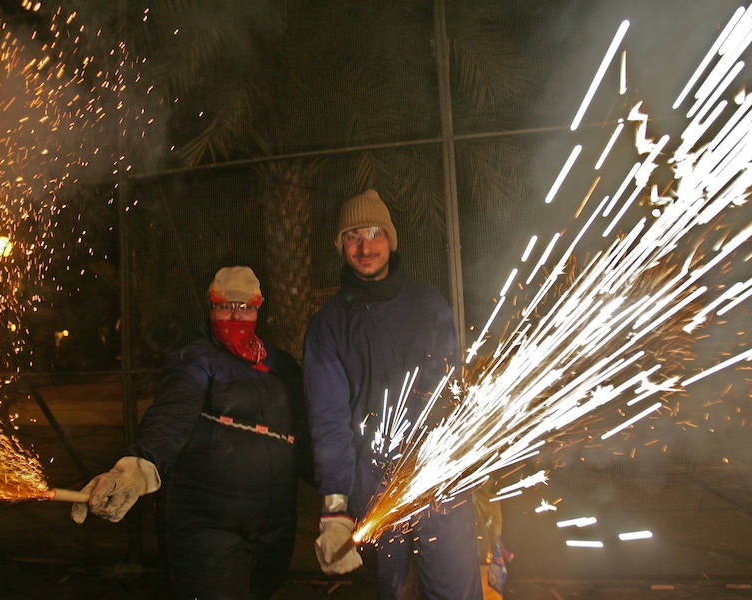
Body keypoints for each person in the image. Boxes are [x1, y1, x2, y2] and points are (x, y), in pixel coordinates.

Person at [71, 266, 310, 599]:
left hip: (272, 532)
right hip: (208, 534)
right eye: (226, 305)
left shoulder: (281, 365)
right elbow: (170, 418)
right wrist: (139, 466)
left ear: (259, 307)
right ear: (210, 307)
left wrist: (345, 484)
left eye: (246, 307)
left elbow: (305, 434)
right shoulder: (195, 362)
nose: (236, 315)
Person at [303, 189, 483, 599]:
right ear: (341, 246)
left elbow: (453, 392)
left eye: (374, 233)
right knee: (395, 591)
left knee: (455, 590)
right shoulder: (329, 326)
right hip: (375, 487)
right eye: (353, 236)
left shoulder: (430, 305)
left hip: (442, 481)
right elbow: (329, 420)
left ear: (390, 239)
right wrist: (335, 507)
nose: (365, 246)